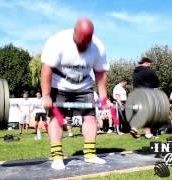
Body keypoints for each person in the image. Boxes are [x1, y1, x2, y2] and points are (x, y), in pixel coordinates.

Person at [41, 17, 108, 169]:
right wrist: (46, 95)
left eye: (87, 42)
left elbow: (100, 74)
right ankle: (57, 157)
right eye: (81, 42)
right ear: (74, 34)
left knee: (90, 117)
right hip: (59, 84)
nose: (84, 45)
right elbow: (46, 70)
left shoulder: (98, 47)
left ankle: (90, 154)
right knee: (56, 118)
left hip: (83, 85)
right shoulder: (57, 42)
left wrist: (104, 98)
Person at [132, 57, 160, 139]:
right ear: (146, 62)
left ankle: (135, 128)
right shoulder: (149, 71)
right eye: (150, 64)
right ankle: (148, 134)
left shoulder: (135, 72)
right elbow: (156, 83)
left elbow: (134, 84)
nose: (150, 66)